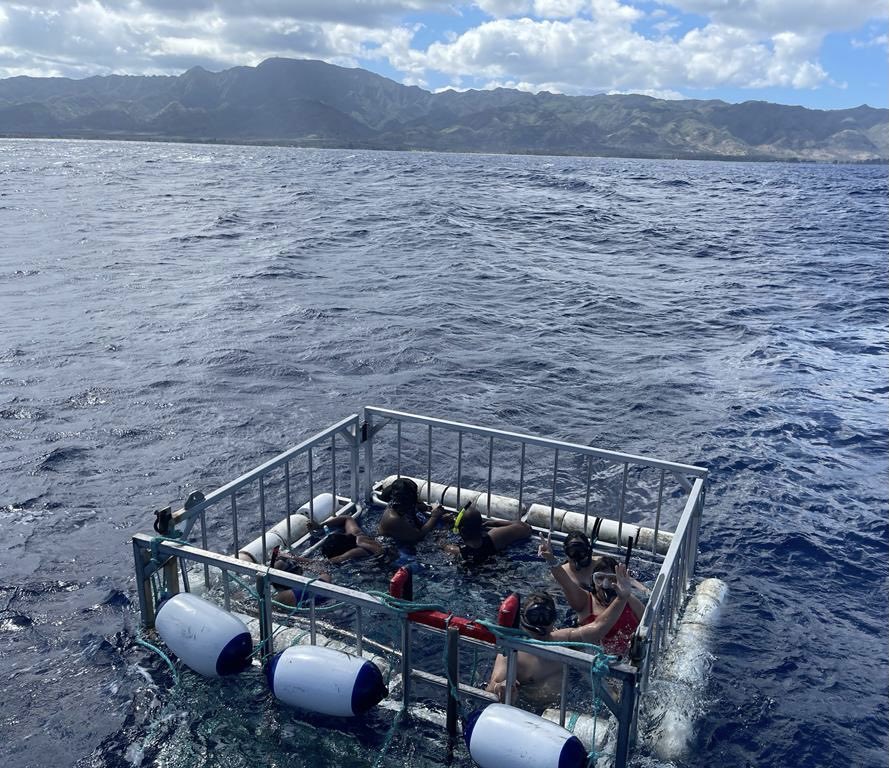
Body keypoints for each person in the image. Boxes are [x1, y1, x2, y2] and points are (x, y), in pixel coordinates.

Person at [485, 564, 634, 706]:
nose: (540, 623)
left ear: (553, 620)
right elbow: (492, 688)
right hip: (534, 711)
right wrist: (500, 687)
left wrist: (621, 598)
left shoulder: (562, 639)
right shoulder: (512, 653)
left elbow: (597, 628)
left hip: (567, 706)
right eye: (535, 616)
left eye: (546, 617)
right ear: (523, 617)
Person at [539, 533, 646, 655]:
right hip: (593, 659)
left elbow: (649, 626)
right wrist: (551, 560)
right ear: (593, 581)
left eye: (611, 579)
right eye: (600, 578)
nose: (605, 584)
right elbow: (566, 582)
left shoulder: (629, 599)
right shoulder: (585, 601)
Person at [444, 501, 532, 565]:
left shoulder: (455, 551)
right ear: (481, 525)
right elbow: (526, 528)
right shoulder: (496, 537)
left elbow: (439, 541)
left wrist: (446, 525)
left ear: (462, 531)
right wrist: (495, 523)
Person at [378, 477, 447, 546]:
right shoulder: (394, 518)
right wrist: (434, 517)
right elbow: (418, 536)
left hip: (408, 533)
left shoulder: (403, 504)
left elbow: (422, 508)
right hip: (395, 546)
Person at [317, 514, 394, 565]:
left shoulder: (356, 551)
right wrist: (321, 525)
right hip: (386, 543)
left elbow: (338, 559)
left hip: (388, 558)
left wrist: (311, 562)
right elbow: (347, 518)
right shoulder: (355, 534)